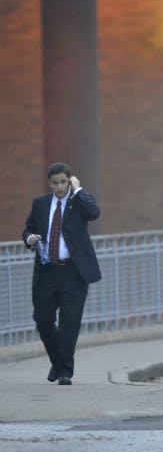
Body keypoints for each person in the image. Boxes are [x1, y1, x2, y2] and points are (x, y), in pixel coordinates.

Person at [22, 162, 101, 385]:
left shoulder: (79, 202)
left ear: (69, 181)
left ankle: (65, 371)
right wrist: (29, 238)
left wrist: (78, 190)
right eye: (55, 182)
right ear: (50, 183)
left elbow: (94, 213)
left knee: (69, 322)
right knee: (42, 319)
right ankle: (57, 362)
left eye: (63, 182)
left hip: (73, 273)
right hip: (47, 271)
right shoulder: (40, 204)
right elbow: (28, 228)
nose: (59, 186)